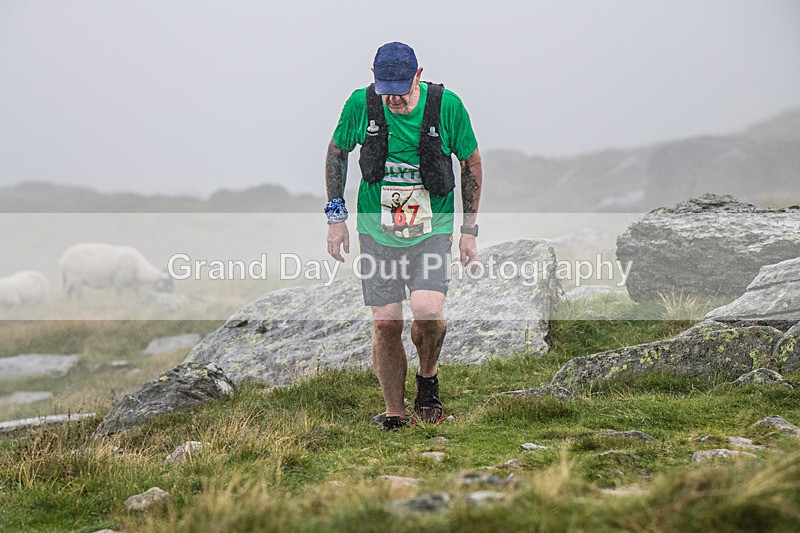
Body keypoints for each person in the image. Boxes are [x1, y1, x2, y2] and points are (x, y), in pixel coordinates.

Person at [324, 41, 482, 430]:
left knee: (428, 313)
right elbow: (337, 153)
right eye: (385, 88)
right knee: (386, 324)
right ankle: (395, 411)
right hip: (377, 232)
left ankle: (427, 379)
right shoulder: (361, 105)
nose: (393, 97)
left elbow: (471, 162)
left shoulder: (448, 107)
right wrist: (335, 216)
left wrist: (469, 231)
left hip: (432, 229)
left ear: (418, 75)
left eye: (401, 86)